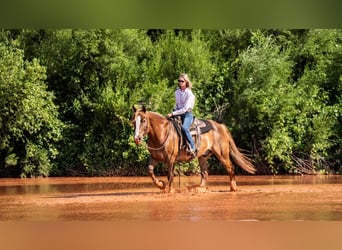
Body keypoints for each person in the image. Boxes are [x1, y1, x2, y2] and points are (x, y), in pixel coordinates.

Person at [167, 73, 196, 156]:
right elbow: (177, 105)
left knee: (184, 128)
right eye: (179, 81)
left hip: (187, 114)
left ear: (186, 82)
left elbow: (185, 109)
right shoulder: (177, 92)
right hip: (178, 113)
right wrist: (174, 111)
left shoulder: (190, 94)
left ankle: (192, 146)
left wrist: (173, 113)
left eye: (182, 81)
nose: (180, 83)